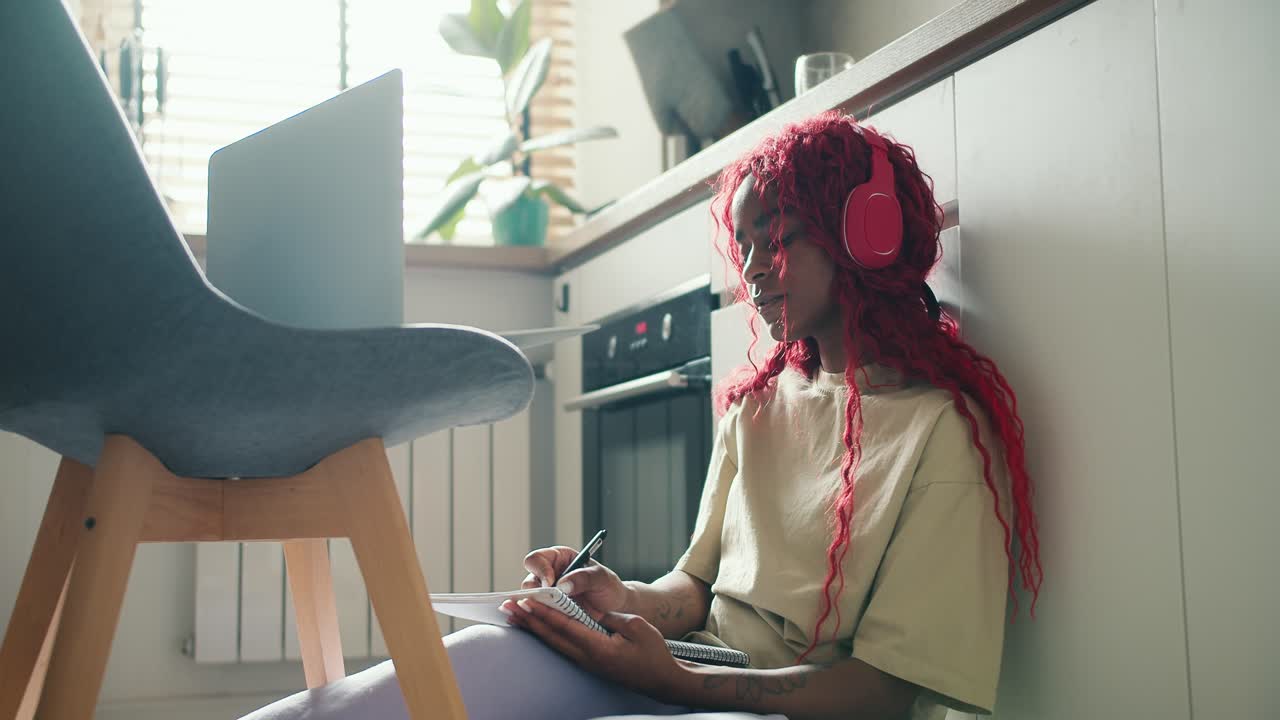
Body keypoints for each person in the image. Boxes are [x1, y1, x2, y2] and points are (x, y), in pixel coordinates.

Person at [243, 111, 1041, 720]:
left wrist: (683, 681)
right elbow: (695, 587)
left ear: (863, 238)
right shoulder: (758, 406)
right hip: (692, 670)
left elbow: (890, 692)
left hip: (764, 703)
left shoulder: (941, 437)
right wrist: (614, 599)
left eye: (781, 238)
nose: (755, 271)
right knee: (453, 668)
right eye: (747, 246)